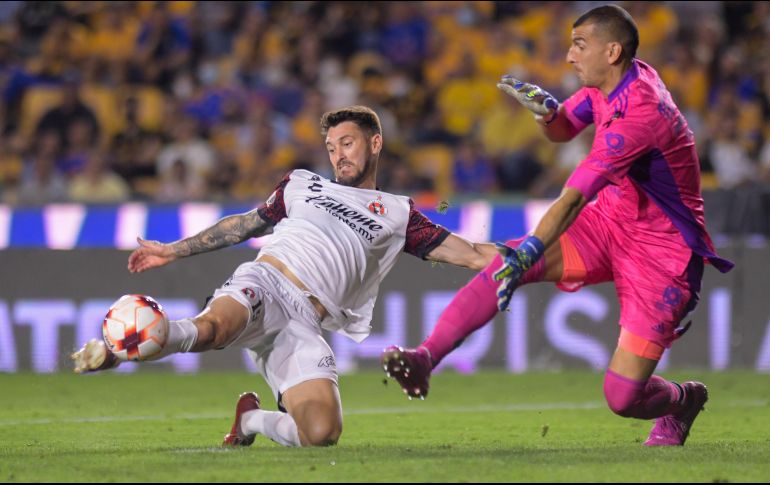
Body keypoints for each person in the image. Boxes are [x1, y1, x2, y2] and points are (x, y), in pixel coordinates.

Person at [382, 5, 733, 447]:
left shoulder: (640, 114)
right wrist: (547, 114)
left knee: (622, 397)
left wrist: (533, 246)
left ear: (612, 51)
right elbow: (565, 129)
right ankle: (425, 357)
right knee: (511, 262)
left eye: (579, 45)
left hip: (663, 253)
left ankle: (683, 400)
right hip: (611, 221)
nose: (569, 55)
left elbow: (573, 197)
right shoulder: (613, 79)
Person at [71, 106, 499, 448]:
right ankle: (122, 349)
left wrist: (537, 253)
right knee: (213, 328)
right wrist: (173, 250)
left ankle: (251, 420)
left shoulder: (399, 213)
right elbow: (246, 224)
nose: (338, 155)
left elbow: (476, 254)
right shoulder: (302, 184)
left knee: (321, 434)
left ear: (375, 143)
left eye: (347, 144)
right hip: (267, 283)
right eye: (331, 147)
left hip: (306, 322)